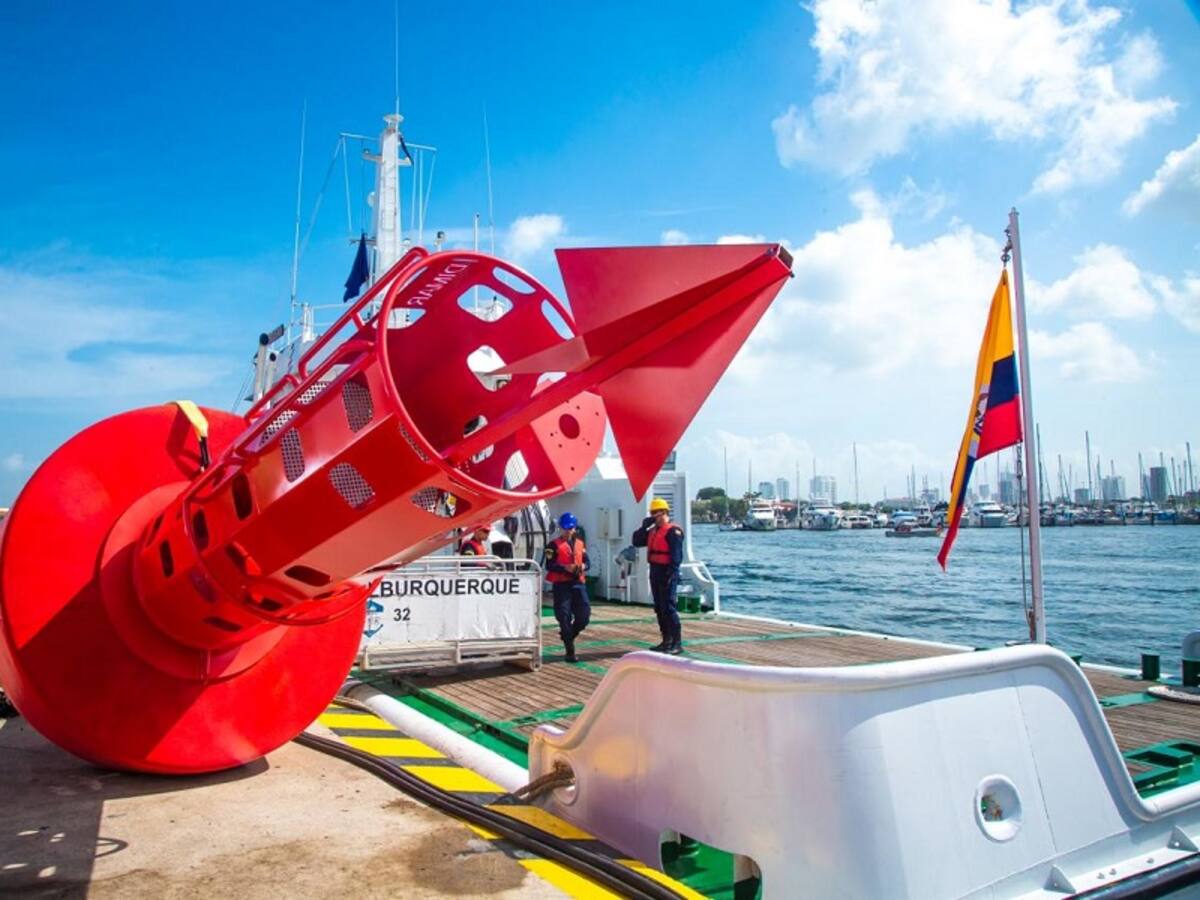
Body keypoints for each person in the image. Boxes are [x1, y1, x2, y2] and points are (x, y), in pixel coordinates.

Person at [632, 497, 685, 654]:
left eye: (656, 512)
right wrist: (643, 527)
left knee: (669, 607)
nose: (654, 516)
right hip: (655, 570)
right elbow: (636, 541)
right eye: (652, 513)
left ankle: (677, 642)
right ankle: (666, 639)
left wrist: (671, 574)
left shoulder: (673, 531)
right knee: (659, 607)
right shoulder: (653, 531)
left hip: (667, 572)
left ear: (665, 512)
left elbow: (676, 556)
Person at [543, 512, 590, 662]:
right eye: (564, 528)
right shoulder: (553, 545)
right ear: (560, 529)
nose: (567, 531)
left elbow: (588, 562)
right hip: (561, 585)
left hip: (578, 584)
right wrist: (565, 568)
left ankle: (567, 635)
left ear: (574, 529)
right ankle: (570, 651)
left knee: (584, 616)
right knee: (563, 616)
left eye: (570, 528)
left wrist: (583, 565)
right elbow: (549, 565)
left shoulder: (580, 544)